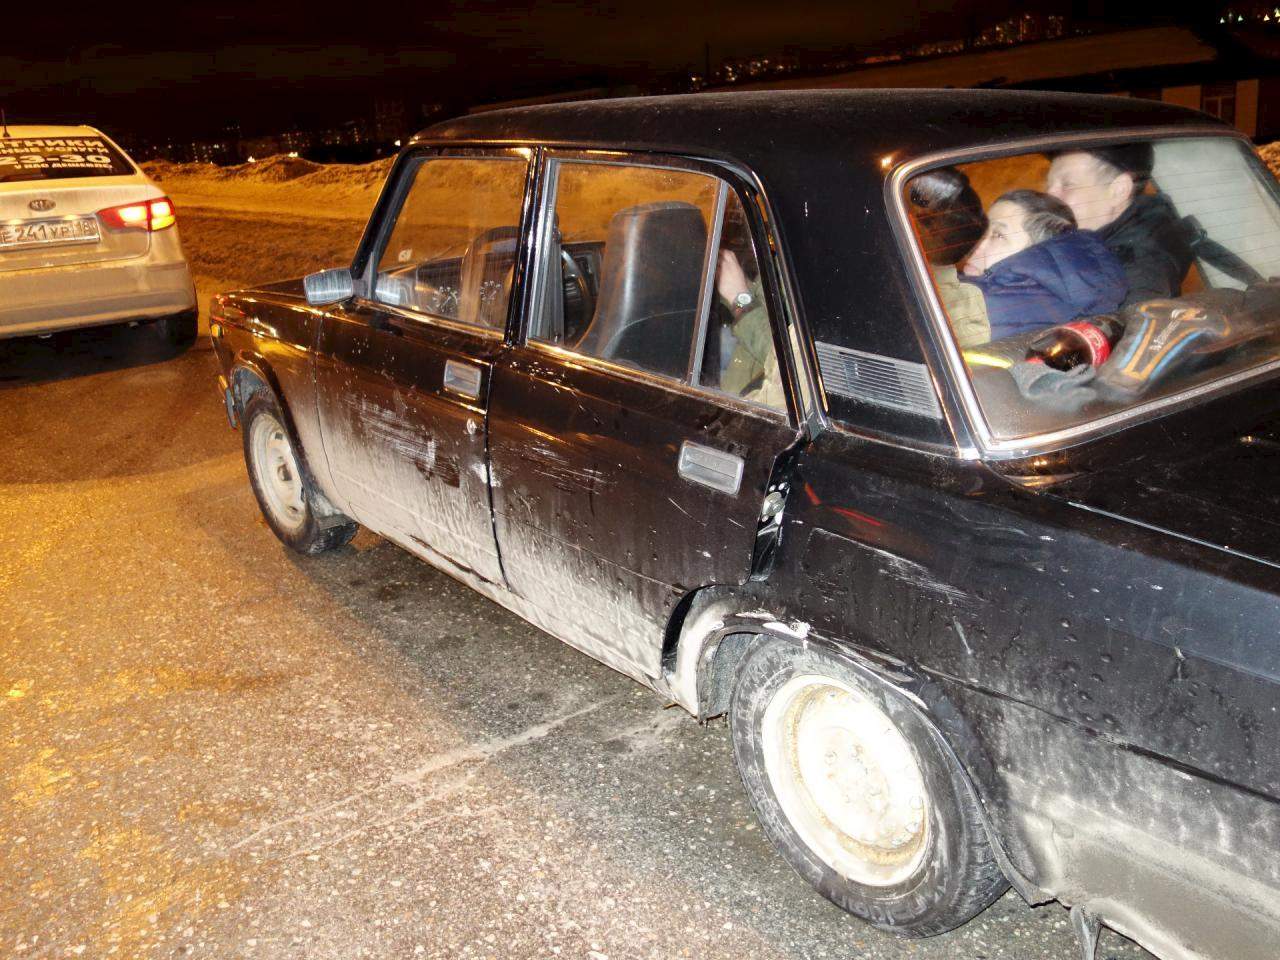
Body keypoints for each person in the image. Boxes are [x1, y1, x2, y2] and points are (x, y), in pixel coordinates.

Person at [961, 189, 1127, 341]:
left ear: (1035, 253)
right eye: (983, 231)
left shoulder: (1001, 306)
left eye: (998, 235)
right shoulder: (1052, 300)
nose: (977, 244)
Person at [1046, 144, 1193, 304]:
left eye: (1067, 184)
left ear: (1119, 191)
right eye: (1049, 185)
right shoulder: (1098, 243)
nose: (1048, 196)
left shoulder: (1138, 276)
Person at [906, 168, 990, 345]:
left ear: (933, 230)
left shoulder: (912, 297)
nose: (909, 219)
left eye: (918, 218)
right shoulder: (969, 300)